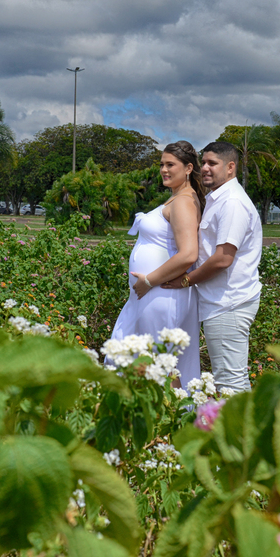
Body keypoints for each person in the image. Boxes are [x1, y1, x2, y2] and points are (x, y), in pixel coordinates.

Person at [162, 141, 262, 394]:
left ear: (230, 167)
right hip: (219, 302)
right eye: (203, 162)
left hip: (228, 303)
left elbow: (223, 258)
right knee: (228, 380)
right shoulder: (218, 199)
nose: (205, 168)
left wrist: (185, 280)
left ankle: (243, 433)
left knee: (230, 382)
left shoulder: (232, 203)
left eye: (212, 163)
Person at [111, 141, 205, 385]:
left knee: (160, 366)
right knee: (155, 362)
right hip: (150, 294)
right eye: (162, 164)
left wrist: (149, 281)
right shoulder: (178, 199)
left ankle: (168, 418)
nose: (164, 169)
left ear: (188, 168)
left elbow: (188, 254)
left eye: (170, 164)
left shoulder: (183, 202)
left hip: (159, 293)